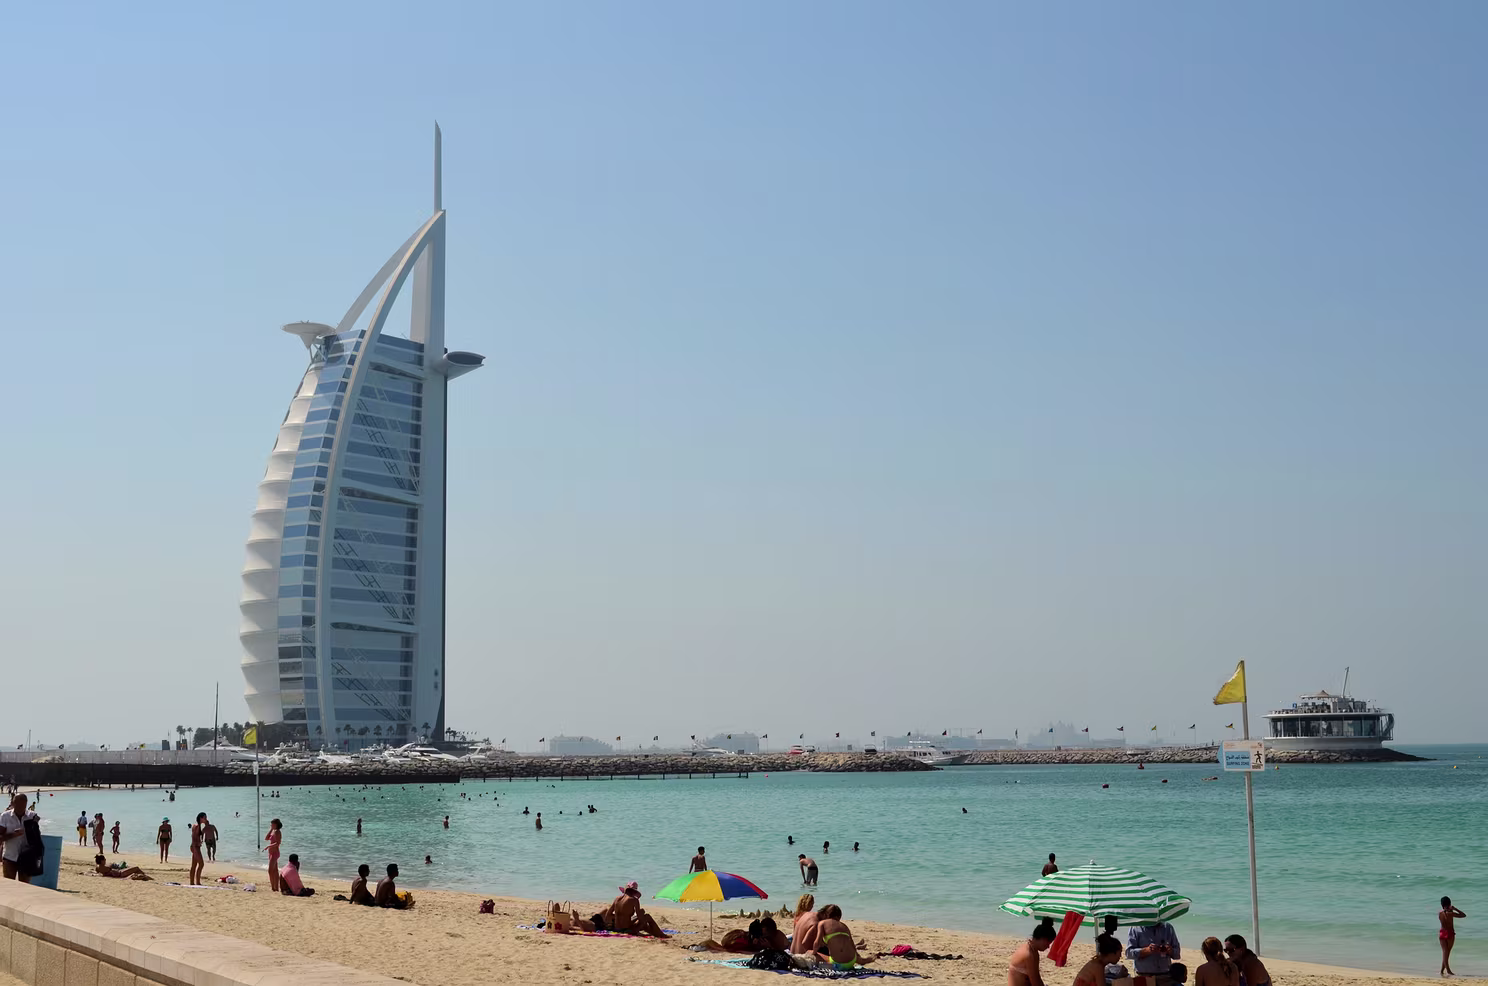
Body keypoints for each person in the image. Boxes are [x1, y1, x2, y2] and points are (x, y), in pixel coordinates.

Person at [814, 905, 870, 971]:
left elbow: (817, 943)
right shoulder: (844, 926)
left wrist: (814, 953)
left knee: (809, 953)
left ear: (826, 915)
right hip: (851, 962)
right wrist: (859, 959)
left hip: (837, 964)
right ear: (839, 916)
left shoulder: (822, 923)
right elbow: (853, 947)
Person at [605, 882, 669, 938]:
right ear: (634, 891)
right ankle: (662, 935)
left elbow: (608, 915)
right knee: (647, 916)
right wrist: (641, 913)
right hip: (627, 930)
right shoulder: (634, 900)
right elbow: (640, 919)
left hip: (616, 929)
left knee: (644, 923)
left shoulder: (617, 899)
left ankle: (656, 934)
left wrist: (619, 917)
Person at [1127, 920, 1181, 986]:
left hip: (1165, 976)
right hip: (1144, 976)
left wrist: (1170, 950)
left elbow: (1177, 954)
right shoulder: (1136, 928)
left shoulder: (1168, 928)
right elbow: (1129, 953)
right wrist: (1146, 951)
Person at [0, 795, 37, 883]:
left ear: (26, 804)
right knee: (9, 886)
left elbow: (36, 838)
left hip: (27, 858)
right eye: (18, 804)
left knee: (25, 887)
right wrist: (13, 834)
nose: (21, 808)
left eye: (23, 805)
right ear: (12, 803)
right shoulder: (5, 816)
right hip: (9, 857)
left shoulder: (32, 816)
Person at [1009, 922, 1057, 986]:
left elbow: (1036, 977)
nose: (1048, 946)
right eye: (1048, 943)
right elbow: (1035, 982)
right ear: (1042, 939)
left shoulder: (1032, 950)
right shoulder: (1028, 954)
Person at [1438, 898, 1466, 976]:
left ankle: (1441, 971)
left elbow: (1444, 918)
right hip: (1450, 933)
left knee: (1445, 952)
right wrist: (1455, 909)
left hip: (1442, 933)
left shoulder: (1440, 913)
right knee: (1447, 953)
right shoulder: (1451, 913)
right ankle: (1448, 970)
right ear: (1449, 904)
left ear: (1442, 905)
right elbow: (1463, 915)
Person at [189, 813, 209, 886]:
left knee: (194, 865)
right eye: (205, 818)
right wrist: (196, 844)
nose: (206, 819)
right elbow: (194, 837)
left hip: (194, 846)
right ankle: (197, 882)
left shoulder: (197, 826)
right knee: (201, 864)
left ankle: (192, 882)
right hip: (195, 847)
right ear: (201, 818)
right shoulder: (197, 826)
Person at [263, 818, 282, 892]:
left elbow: (278, 843)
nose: (271, 825)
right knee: (274, 870)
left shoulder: (278, 832)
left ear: (276, 824)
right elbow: (266, 838)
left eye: (272, 824)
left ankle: (274, 887)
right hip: (270, 853)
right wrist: (271, 829)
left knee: (270, 870)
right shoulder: (273, 831)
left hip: (275, 853)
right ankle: (275, 887)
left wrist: (269, 846)